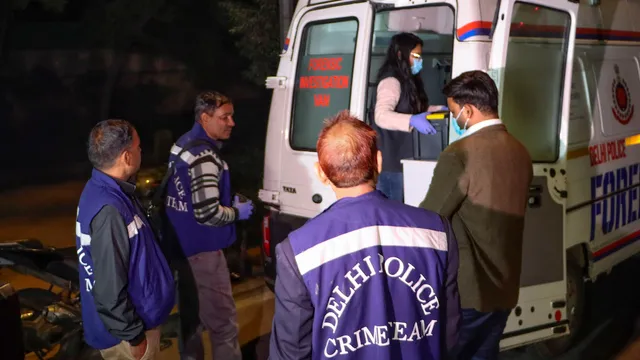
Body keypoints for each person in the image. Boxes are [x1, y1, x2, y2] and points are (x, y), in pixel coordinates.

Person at [269, 110, 460, 360]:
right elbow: (451, 331)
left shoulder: (297, 252)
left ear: (321, 173)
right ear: (378, 162)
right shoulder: (436, 230)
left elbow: (290, 351)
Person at [420, 70, 533, 359]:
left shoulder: (460, 153)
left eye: (455, 112)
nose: (455, 120)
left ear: (468, 110)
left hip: (469, 293)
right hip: (505, 288)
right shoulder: (520, 151)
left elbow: (430, 218)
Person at [165, 91, 254, 360]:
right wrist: (237, 213)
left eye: (232, 116)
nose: (231, 123)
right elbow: (207, 213)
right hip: (204, 252)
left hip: (181, 249)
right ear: (205, 118)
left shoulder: (183, 144)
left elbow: (189, 197)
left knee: (190, 324)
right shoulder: (204, 156)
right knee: (223, 327)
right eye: (224, 117)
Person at [75, 119, 175, 360]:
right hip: (126, 337)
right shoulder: (109, 208)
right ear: (126, 157)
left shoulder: (107, 189)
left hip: (134, 323)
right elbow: (109, 289)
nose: (142, 151)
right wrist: (134, 336)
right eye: (138, 146)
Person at [372, 32, 448, 202]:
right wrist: (411, 120)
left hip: (407, 160)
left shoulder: (409, 80)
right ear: (401, 54)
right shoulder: (391, 80)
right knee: (394, 215)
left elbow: (411, 107)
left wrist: (437, 110)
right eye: (416, 56)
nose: (420, 60)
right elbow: (381, 115)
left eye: (420, 56)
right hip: (392, 164)